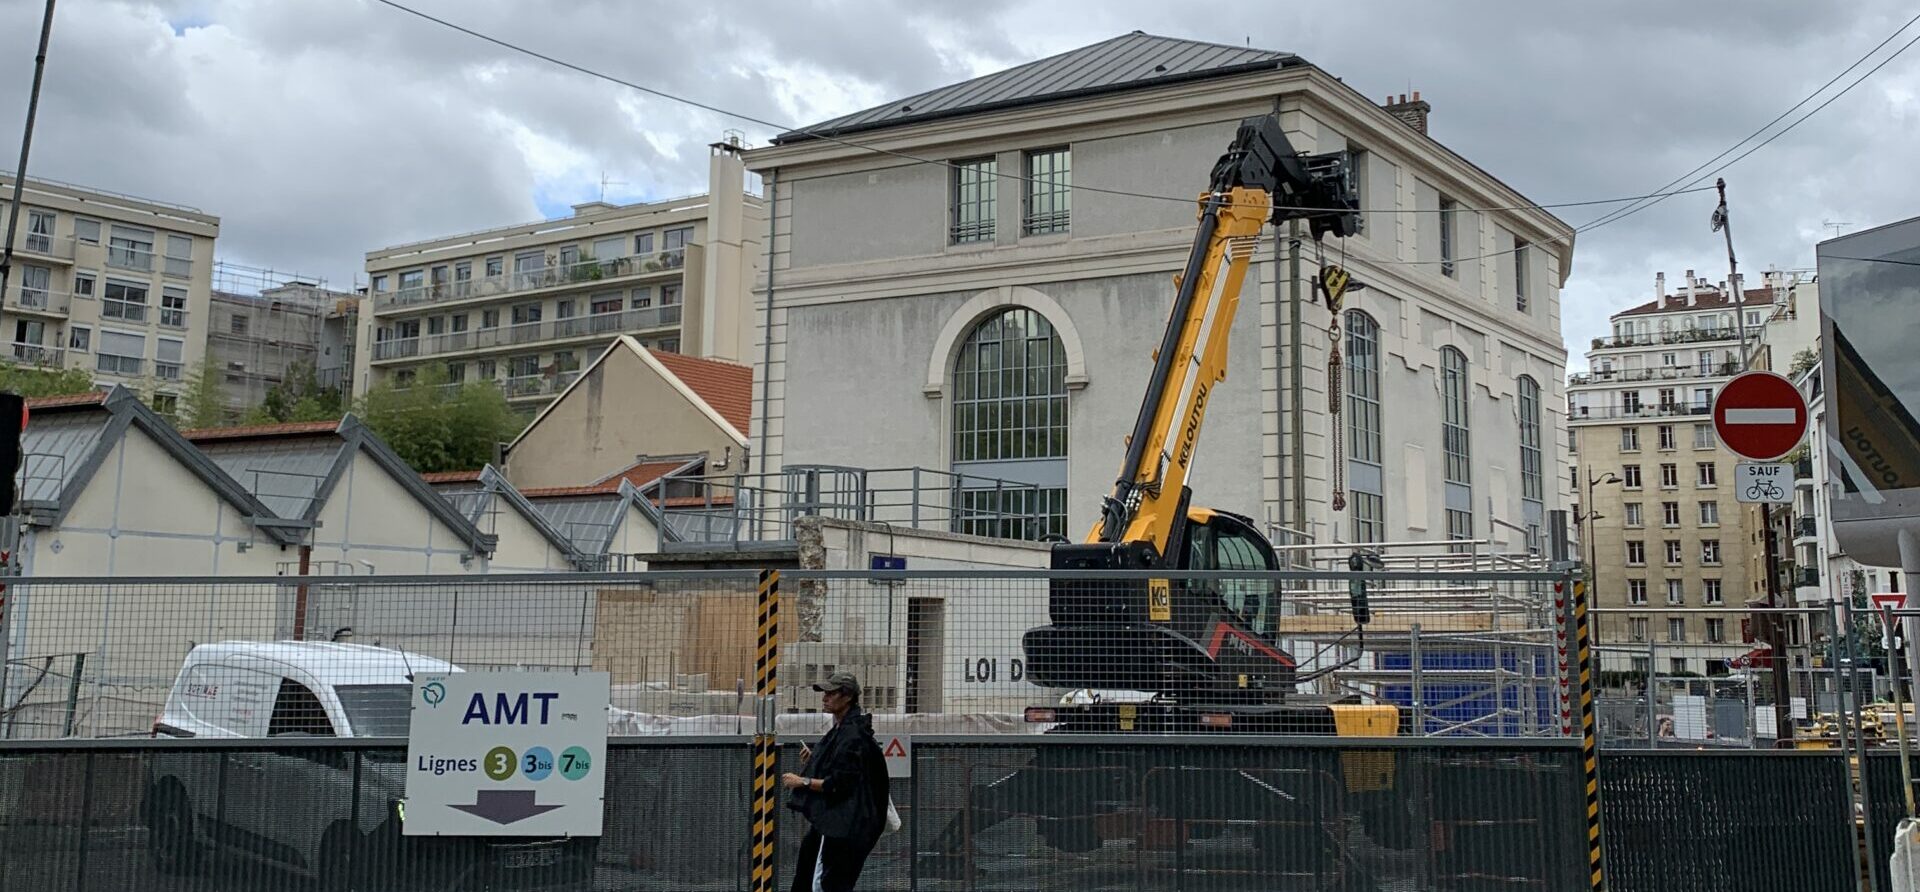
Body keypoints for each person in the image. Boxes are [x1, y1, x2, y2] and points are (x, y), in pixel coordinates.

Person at [783, 671, 889, 892]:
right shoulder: (842, 731)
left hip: (844, 825)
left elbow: (839, 783)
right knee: (812, 867)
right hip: (839, 822)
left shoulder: (853, 735)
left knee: (824, 882)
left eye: (831, 693)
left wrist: (802, 781)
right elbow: (844, 768)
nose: (825, 698)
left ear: (847, 696)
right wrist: (814, 759)